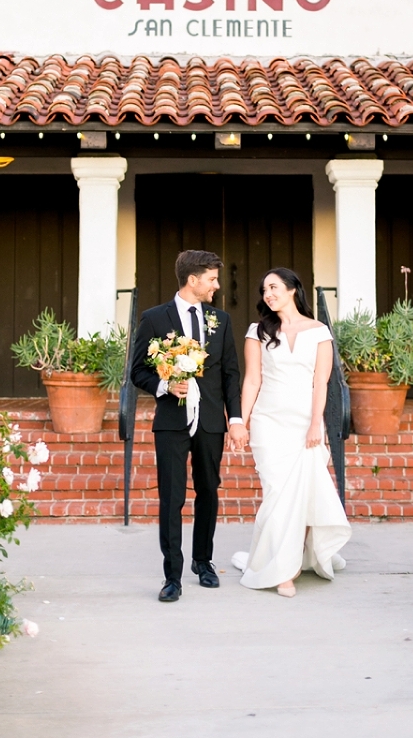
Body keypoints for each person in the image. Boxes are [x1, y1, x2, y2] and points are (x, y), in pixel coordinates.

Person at [131, 249, 247, 602]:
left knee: (208, 491)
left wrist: (237, 418)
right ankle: (173, 576)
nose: (216, 285)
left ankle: (203, 560)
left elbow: (230, 373)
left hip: (211, 420)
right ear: (193, 280)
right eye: (212, 279)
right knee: (172, 497)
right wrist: (166, 386)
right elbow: (137, 372)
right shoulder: (153, 318)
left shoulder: (221, 320)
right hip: (171, 421)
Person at [232, 267, 351, 597]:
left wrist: (316, 422)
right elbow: (252, 379)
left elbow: (321, 382)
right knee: (278, 493)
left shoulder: (319, 332)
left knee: (306, 492)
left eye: (273, 287)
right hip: (269, 421)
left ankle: (292, 563)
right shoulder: (258, 331)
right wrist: (240, 420)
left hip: (304, 422)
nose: (267, 294)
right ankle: (280, 567)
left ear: (293, 289)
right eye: (264, 290)